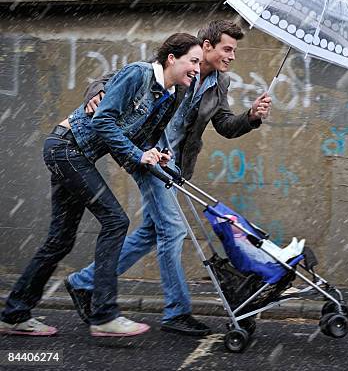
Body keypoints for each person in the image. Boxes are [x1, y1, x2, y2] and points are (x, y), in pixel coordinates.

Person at [65, 20, 271, 336]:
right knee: (173, 230)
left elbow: (226, 125)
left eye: (234, 51)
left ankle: (85, 282)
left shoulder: (220, 83)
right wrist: (96, 92)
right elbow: (111, 80)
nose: (231, 56)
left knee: (151, 232)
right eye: (227, 49)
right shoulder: (176, 60)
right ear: (207, 46)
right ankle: (176, 311)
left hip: (175, 168)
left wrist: (252, 117)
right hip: (149, 157)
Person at [0, 33, 203, 337]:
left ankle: (15, 312)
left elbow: (145, 136)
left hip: (77, 156)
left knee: (60, 241)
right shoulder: (138, 73)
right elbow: (103, 120)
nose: (197, 69)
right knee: (115, 221)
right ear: (172, 58)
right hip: (66, 147)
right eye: (194, 61)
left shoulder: (171, 96)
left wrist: (159, 154)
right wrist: (139, 154)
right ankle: (105, 314)